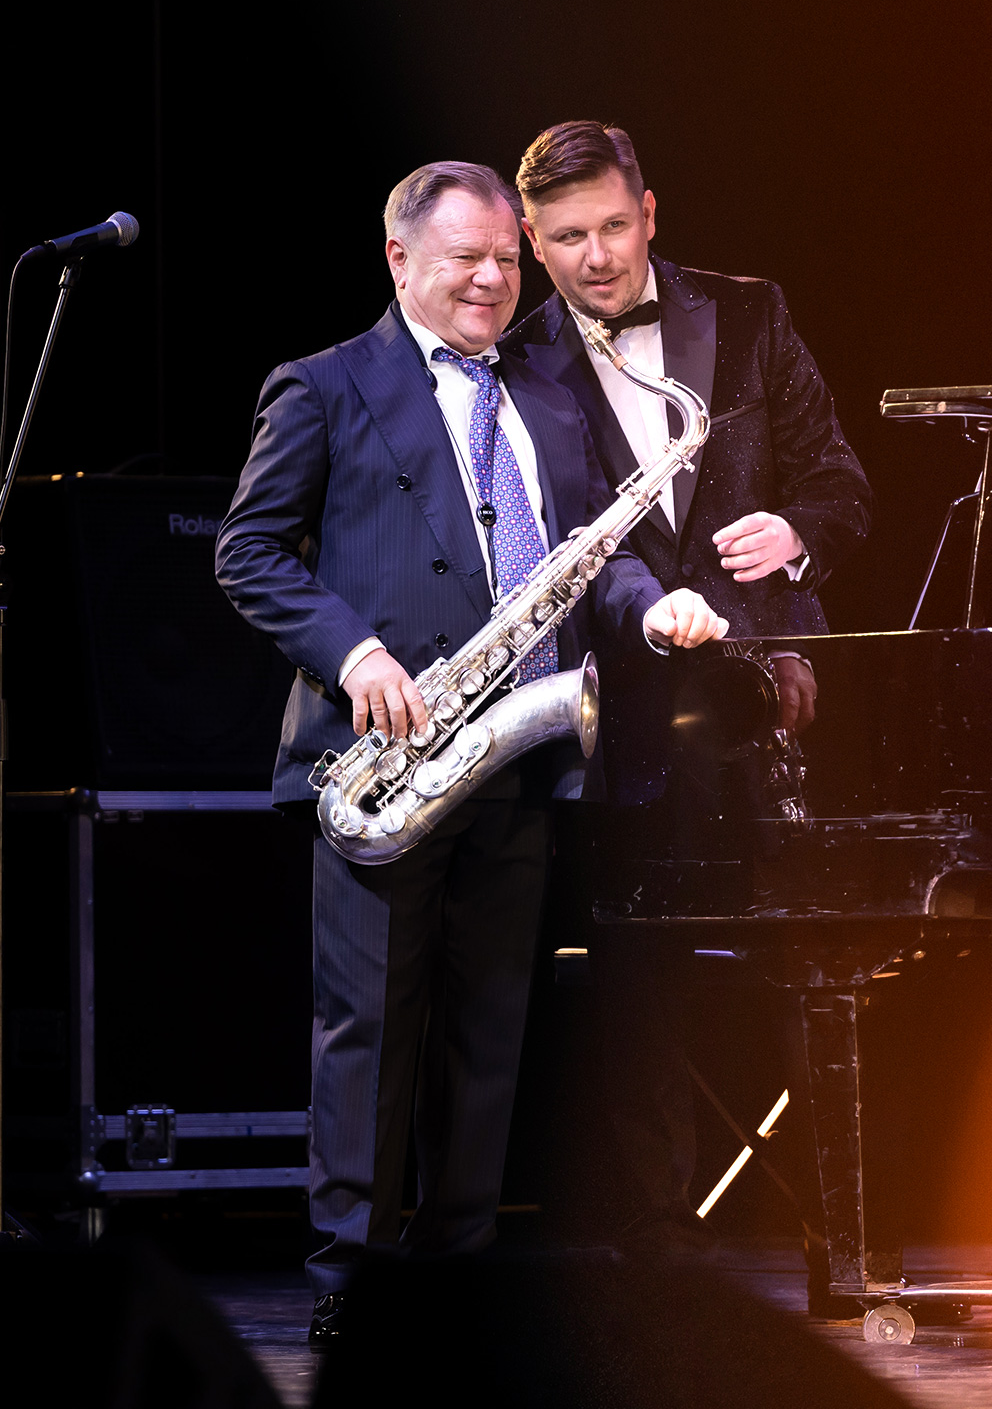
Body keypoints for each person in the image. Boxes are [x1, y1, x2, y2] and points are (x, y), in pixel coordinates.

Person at [215, 160, 727, 1346]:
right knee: (369, 1033)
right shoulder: (324, 384)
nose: (496, 279)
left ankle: (456, 1283)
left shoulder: (545, 392)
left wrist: (651, 608)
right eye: (467, 259)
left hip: (515, 759)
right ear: (400, 260)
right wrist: (354, 655)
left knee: (488, 1035)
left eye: (507, 257)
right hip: (387, 761)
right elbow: (249, 552)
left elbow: (593, 550)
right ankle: (349, 1287)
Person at [499, 122, 871, 1293]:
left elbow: (842, 484)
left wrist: (798, 534)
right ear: (531, 242)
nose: (599, 257)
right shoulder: (518, 359)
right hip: (620, 710)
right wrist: (644, 611)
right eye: (568, 237)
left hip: (769, 696)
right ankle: (659, 1241)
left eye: (616, 226)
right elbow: (551, 541)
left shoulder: (750, 315)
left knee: (812, 964)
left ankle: (846, 1237)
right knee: (635, 975)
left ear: (651, 212)